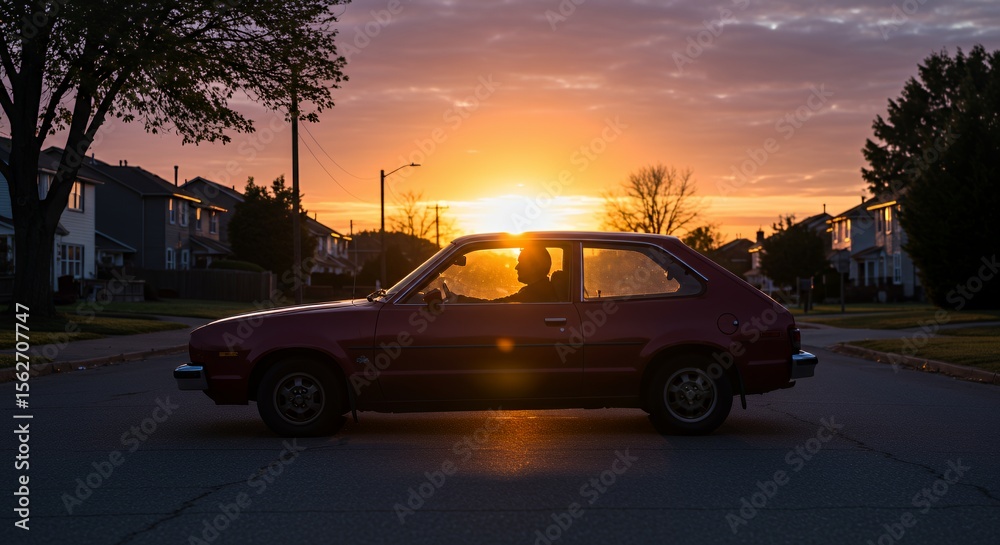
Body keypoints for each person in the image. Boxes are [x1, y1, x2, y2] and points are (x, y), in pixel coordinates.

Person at [443, 246, 557, 303]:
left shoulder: (536, 293)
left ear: (534, 266)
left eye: (521, 263)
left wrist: (458, 300)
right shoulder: (540, 289)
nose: (516, 267)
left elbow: (496, 306)